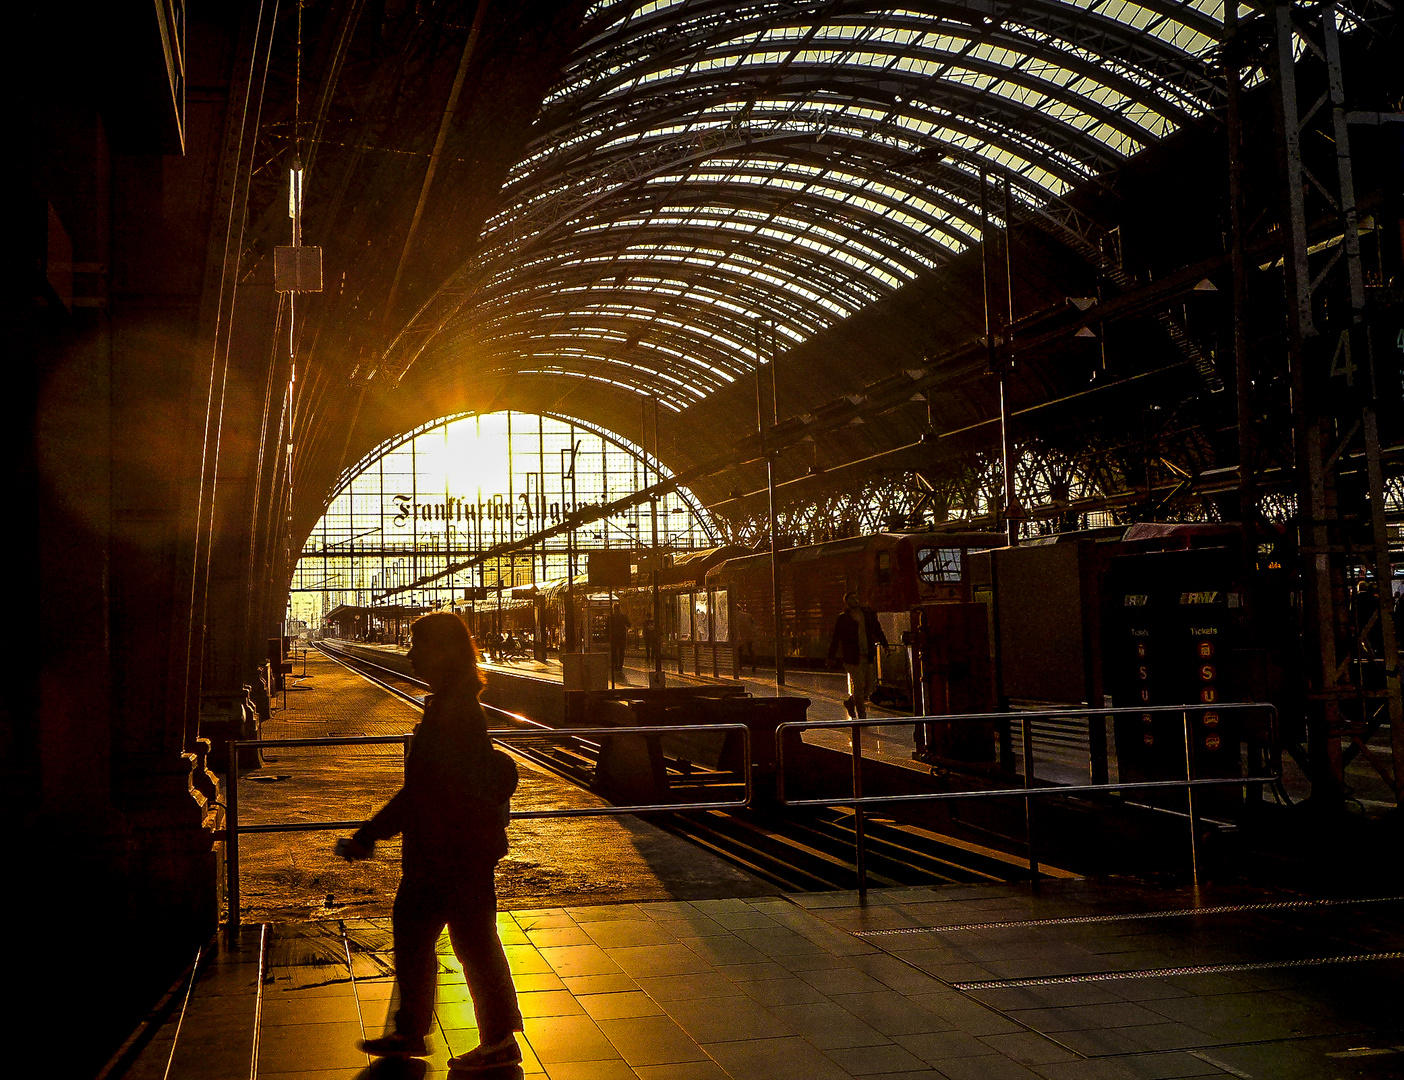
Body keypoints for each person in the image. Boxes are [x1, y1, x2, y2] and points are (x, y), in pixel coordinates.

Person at [335, 612, 523, 1073]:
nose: (411, 654)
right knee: (432, 935)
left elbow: (425, 788)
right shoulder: (452, 703)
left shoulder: (453, 710)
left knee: (466, 942)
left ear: (444, 651)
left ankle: (491, 1040)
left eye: (418, 645)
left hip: (451, 850)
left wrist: (369, 834)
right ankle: (416, 1029)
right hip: (451, 848)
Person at [826, 591, 888, 719]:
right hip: (852, 657)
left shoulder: (867, 615)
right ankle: (862, 714)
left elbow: (877, 629)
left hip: (867, 655)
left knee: (869, 686)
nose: (855, 600)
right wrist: (830, 656)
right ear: (847, 602)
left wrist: (885, 644)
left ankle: (850, 702)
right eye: (852, 598)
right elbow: (836, 638)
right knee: (859, 685)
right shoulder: (843, 618)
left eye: (856, 598)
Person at [606, 602, 631, 674]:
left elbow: (607, 628)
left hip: (613, 636)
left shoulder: (610, 617)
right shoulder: (624, 616)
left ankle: (615, 664)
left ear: (613, 609)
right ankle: (620, 665)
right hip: (622, 636)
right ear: (620, 608)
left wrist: (607, 636)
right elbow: (629, 624)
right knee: (621, 651)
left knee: (614, 651)